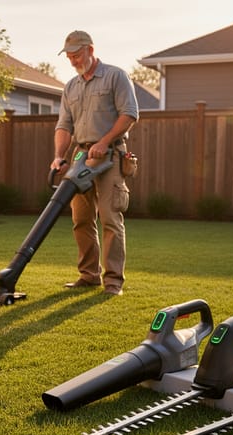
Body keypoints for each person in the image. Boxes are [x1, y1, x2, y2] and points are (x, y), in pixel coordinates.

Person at [50, 30, 139, 296]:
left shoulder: (115, 76)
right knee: (81, 219)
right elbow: (64, 126)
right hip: (81, 157)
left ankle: (113, 281)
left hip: (110, 156)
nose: (73, 61)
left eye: (77, 55)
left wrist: (104, 141)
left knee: (110, 218)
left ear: (90, 49)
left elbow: (129, 114)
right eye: (69, 57)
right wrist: (58, 156)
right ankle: (89, 275)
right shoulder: (71, 87)